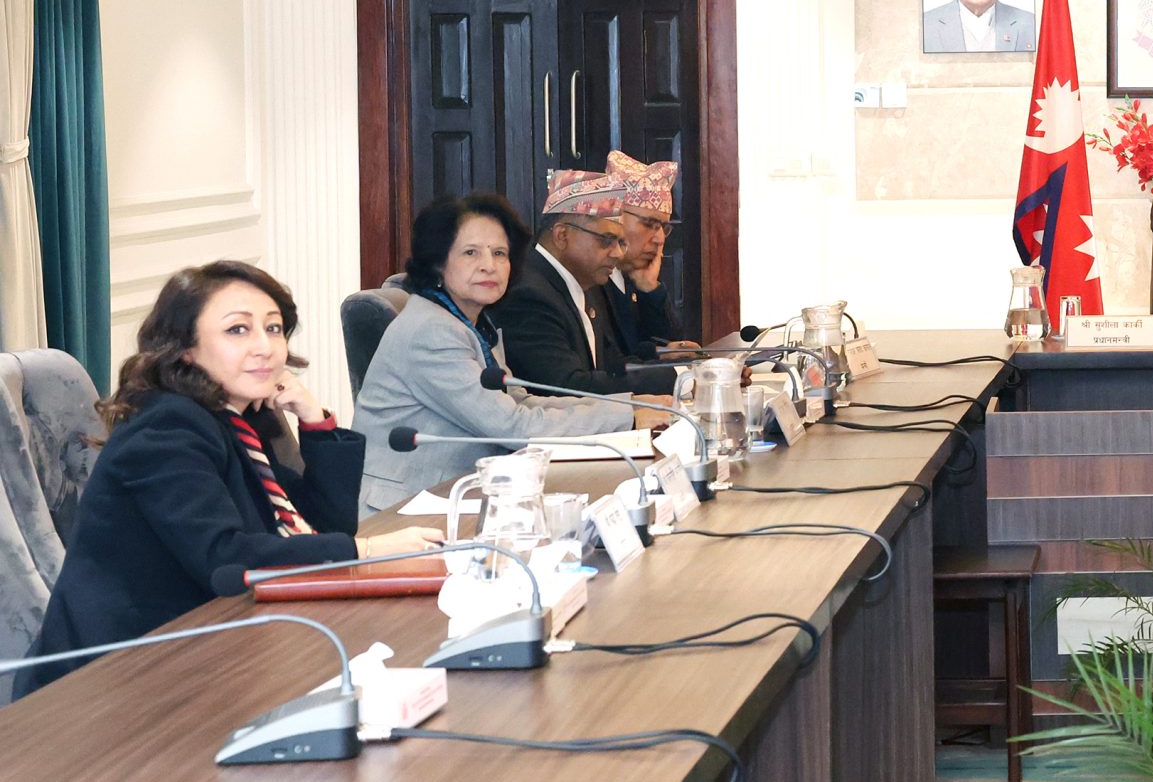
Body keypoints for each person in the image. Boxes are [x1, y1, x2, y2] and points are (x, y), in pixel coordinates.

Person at [15, 263, 444, 696]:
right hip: (110, 680)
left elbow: (323, 524)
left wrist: (316, 421)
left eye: (273, 328)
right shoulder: (166, 427)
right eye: (238, 330)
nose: (265, 347)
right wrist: (368, 552)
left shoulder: (231, 416)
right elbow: (223, 557)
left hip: (205, 647)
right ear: (186, 348)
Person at [357, 192, 656, 517]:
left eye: (499, 253)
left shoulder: (470, 322)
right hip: (405, 510)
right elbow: (513, 426)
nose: (489, 265)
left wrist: (629, 407)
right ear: (438, 262)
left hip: (458, 494)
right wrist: (627, 416)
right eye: (470, 252)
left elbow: (519, 401)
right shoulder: (432, 331)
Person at [487, 169, 675, 396]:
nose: (617, 253)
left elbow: (608, 367)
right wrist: (673, 376)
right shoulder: (528, 295)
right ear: (562, 236)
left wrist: (671, 362)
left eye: (620, 242)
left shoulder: (583, 284)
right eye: (606, 240)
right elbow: (568, 387)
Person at [592, 150, 695, 366]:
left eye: (663, 227)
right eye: (650, 224)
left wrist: (650, 289)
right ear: (615, 218)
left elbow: (673, 349)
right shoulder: (591, 278)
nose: (659, 239)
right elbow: (610, 363)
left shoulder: (631, 276)